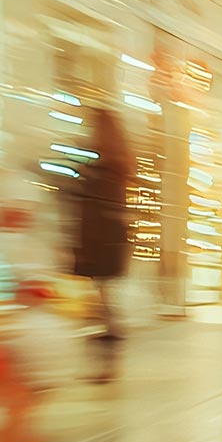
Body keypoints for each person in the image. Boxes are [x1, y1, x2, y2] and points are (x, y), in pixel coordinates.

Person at [74, 108, 134, 360]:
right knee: (102, 298)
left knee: (100, 298)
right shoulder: (118, 163)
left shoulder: (104, 167)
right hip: (110, 244)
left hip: (99, 245)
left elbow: (96, 212)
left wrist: (84, 248)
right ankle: (109, 340)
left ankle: (109, 342)